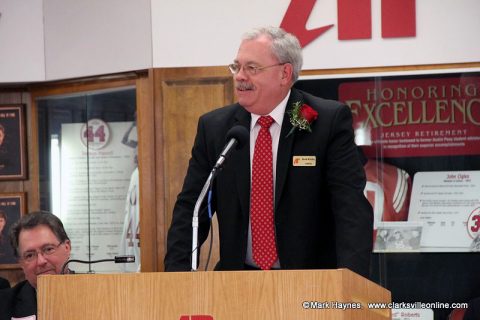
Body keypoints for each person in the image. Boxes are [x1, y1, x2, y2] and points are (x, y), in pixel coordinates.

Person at [164, 26, 373, 277]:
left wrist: (350, 285)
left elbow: (351, 211)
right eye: (236, 67)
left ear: (285, 74)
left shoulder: (324, 123)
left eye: (252, 68)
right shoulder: (216, 129)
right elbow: (191, 208)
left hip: (313, 281)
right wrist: (177, 279)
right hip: (237, 283)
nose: (240, 76)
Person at [0, 211, 72, 319]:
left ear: (67, 248)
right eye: (30, 255)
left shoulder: (98, 291)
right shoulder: (4, 305)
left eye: (48, 249)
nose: (41, 261)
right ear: (21, 263)